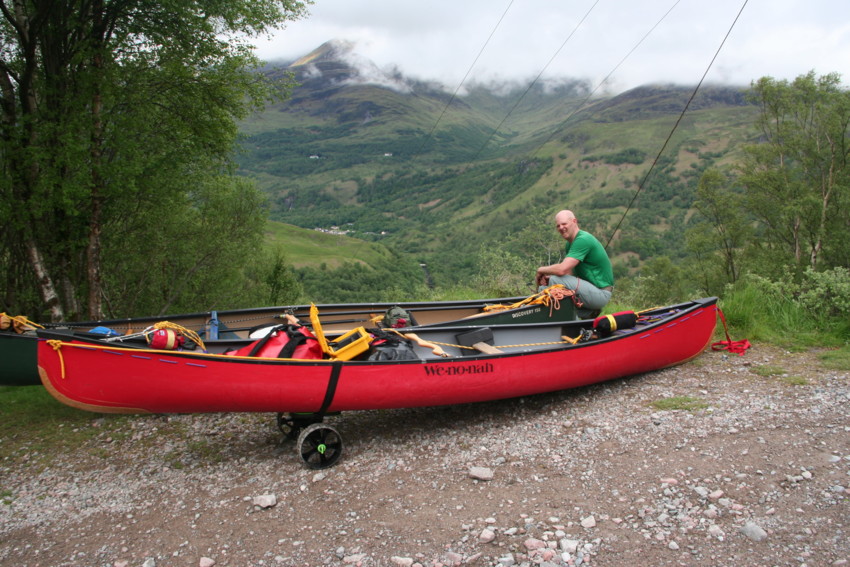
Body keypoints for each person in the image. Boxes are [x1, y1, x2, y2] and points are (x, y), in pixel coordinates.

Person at [535, 209, 614, 319]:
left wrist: (540, 270)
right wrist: (548, 279)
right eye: (558, 226)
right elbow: (569, 273)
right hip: (590, 290)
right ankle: (582, 316)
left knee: (555, 281)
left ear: (574, 221)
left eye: (564, 224)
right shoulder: (570, 244)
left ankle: (573, 325)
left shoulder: (583, 240)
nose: (561, 228)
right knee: (548, 284)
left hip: (601, 293)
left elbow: (562, 270)